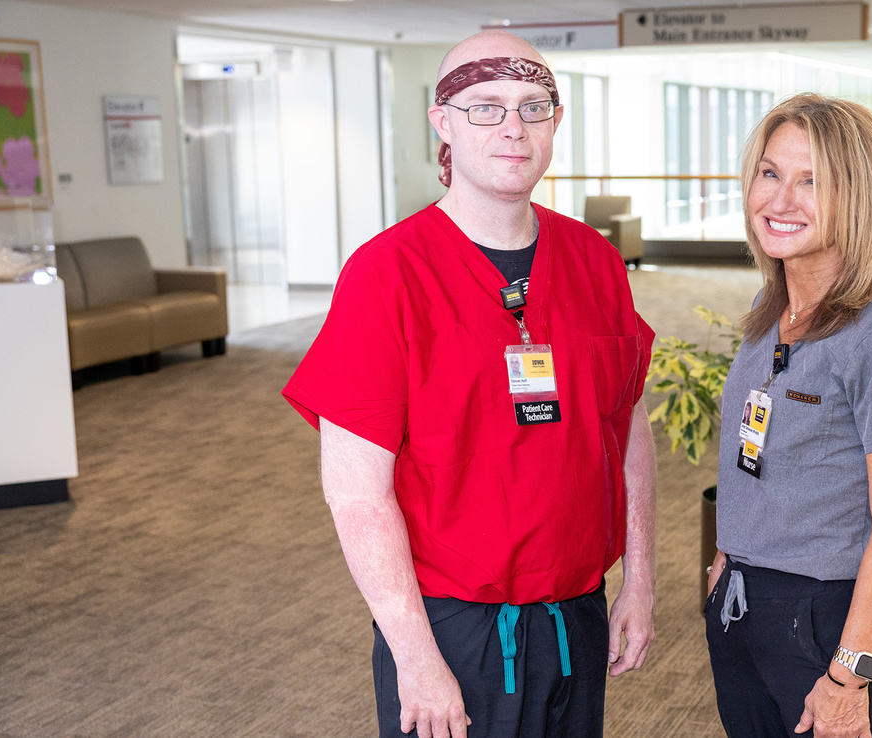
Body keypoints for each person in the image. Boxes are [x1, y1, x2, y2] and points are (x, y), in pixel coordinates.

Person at [282, 30, 657, 738]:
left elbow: (628, 430)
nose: (513, 127)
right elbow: (356, 494)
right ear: (443, 122)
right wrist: (415, 657)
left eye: (533, 107)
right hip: (452, 628)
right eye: (486, 107)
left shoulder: (595, 261)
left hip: (576, 611)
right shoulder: (387, 275)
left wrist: (640, 578)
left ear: (555, 123)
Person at [704, 93, 872, 738]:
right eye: (771, 173)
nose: (780, 200)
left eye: (812, 182)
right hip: (746, 604)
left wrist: (848, 675)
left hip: (830, 619)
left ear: (859, 198)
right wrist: (728, 558)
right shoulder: (768, 312)